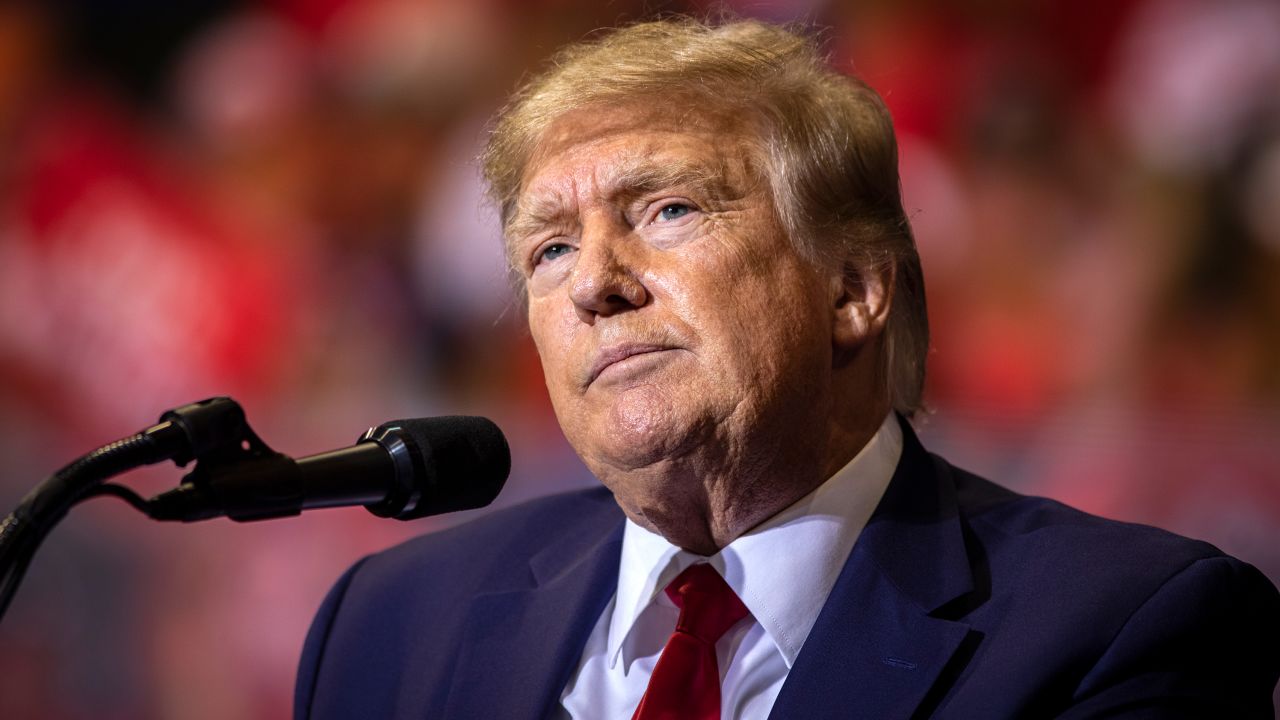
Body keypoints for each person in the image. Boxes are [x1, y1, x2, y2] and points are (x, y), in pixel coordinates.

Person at [293, 18, 1280, 719]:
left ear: (851, 287)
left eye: (666, 211)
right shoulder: (387, 628)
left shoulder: (1115, 627)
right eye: (548, 248)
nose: (593, 283)